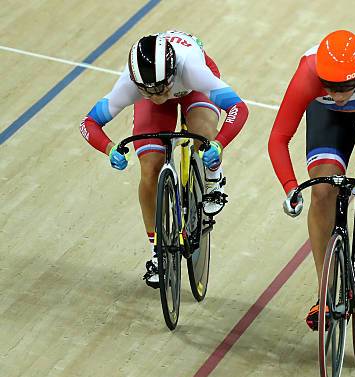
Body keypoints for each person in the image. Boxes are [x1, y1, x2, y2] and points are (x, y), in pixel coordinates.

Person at [267, 30, 355, 330]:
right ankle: (326, 293)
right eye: (330, 86)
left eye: (344, 87)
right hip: (330, 115)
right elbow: (278, 138)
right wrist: (290, 187)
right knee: (322, 190)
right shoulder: (308, 74)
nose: (338, 94)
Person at [80, 30, 248, 288]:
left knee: (202, 136)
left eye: (161, 88)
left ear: (170, 74)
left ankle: (214, 177)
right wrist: (109, 148)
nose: (157, 96)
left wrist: (218, 144)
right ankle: (158, 253)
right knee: (149, 170)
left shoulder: (192, 68)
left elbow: (238, 108)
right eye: (149, 91)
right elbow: (89, 122)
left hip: (192, 89)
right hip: (164, 86)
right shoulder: (132, 84)